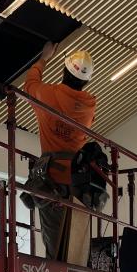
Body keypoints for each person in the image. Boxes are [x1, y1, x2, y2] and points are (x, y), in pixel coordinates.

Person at [22, 42, 97, 259]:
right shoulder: (89, 106)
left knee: (55, 248)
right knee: (74, 245)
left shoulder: (49, 95)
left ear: (64, 70)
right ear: (86, 81)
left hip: (52, 180)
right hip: (78, 182)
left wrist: (44, 58)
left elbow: (30, 84)